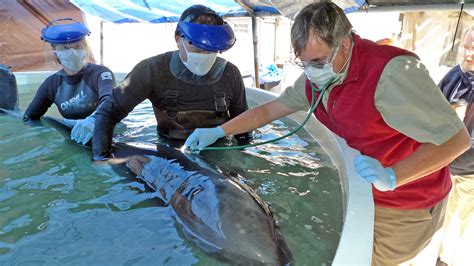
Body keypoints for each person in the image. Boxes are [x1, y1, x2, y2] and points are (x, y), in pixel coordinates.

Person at [184, 2, 471, 265]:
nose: (311, 71)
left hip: (407, 202)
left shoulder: (392, 72)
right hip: (365, 192)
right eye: (304, 63)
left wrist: (394, 175)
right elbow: (269, 110)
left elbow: (456, 140)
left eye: (318, 62)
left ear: (345, 43)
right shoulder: (317, 77)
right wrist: (219, 131)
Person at [92, 5, 250, 160]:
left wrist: (244, 159)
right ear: (177, 38)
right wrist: (101, 158)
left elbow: (245, 125)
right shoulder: (152, 69)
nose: (205, 54)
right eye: (197, 47)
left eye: (211, 49)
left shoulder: (231, 73)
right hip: (169, 152)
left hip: (219, 149)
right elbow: (108, 112)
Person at [23, 18, 115, 145]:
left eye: (77, 46)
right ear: (55, 52)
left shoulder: (101, 73)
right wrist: (44, 138)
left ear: (85, 48)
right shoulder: (51, 84)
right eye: (65, 48)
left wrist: (93, 120)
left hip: (110, 135)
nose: (73, 52)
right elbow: (29, 118)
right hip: (74, 138)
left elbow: (110, 100)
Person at [438, 27, 474, 265]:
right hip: (445, 164)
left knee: (460, 221)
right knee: (441, 218)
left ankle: (446, 260)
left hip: (471, 172)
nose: (469, 53)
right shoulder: (453, 76)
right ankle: (438, 257)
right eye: (466, 46)